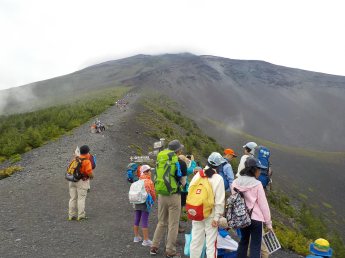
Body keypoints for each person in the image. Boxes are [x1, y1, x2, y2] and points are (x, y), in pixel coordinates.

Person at [150, 140, 187, 258]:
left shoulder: (161, 159)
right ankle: (170, 251)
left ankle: (154, 247)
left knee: (161, 221)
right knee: (173, 224)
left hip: (161, 194)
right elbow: (183, 182)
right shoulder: (180, 163)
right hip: (174, 195)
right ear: (178, 151)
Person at [232, 157, 273, 258]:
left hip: (242, 217)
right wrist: (268, 223)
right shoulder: (257, 184)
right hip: (256, 219)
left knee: (243, 241)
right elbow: (264, 205)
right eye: (259, 169)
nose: (260, 171)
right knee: (255, 245)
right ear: (254, 170)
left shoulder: (235, 183)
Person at [189, 152, 225, 258]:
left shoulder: (198, 175)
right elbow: (219, 201)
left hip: (197, 210)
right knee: (211, 244)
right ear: (218, 165)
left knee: (196, 241)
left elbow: (190, 191)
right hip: (211, 214)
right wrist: (217, 217)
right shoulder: (218, 178)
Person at [68, 145, 94, 221]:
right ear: (87, 153)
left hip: (72, 180)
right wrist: (92, 176)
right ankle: (81, 216)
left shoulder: (75, 159)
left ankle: (71, 215)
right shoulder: (86, 161)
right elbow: (89, 171)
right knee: (81, 199)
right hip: (81, 181)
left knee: (73, 198)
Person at [133, 165, 156, 247]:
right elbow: (153, 193)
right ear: (146, 171)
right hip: (145, 202)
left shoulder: (138, 179)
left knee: (137, 218)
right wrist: (153, 200)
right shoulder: (149, 181)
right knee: (144, 220)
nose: (151, 172)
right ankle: (145, 240)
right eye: (149, 171)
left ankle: (136, 237)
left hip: (136, 201)